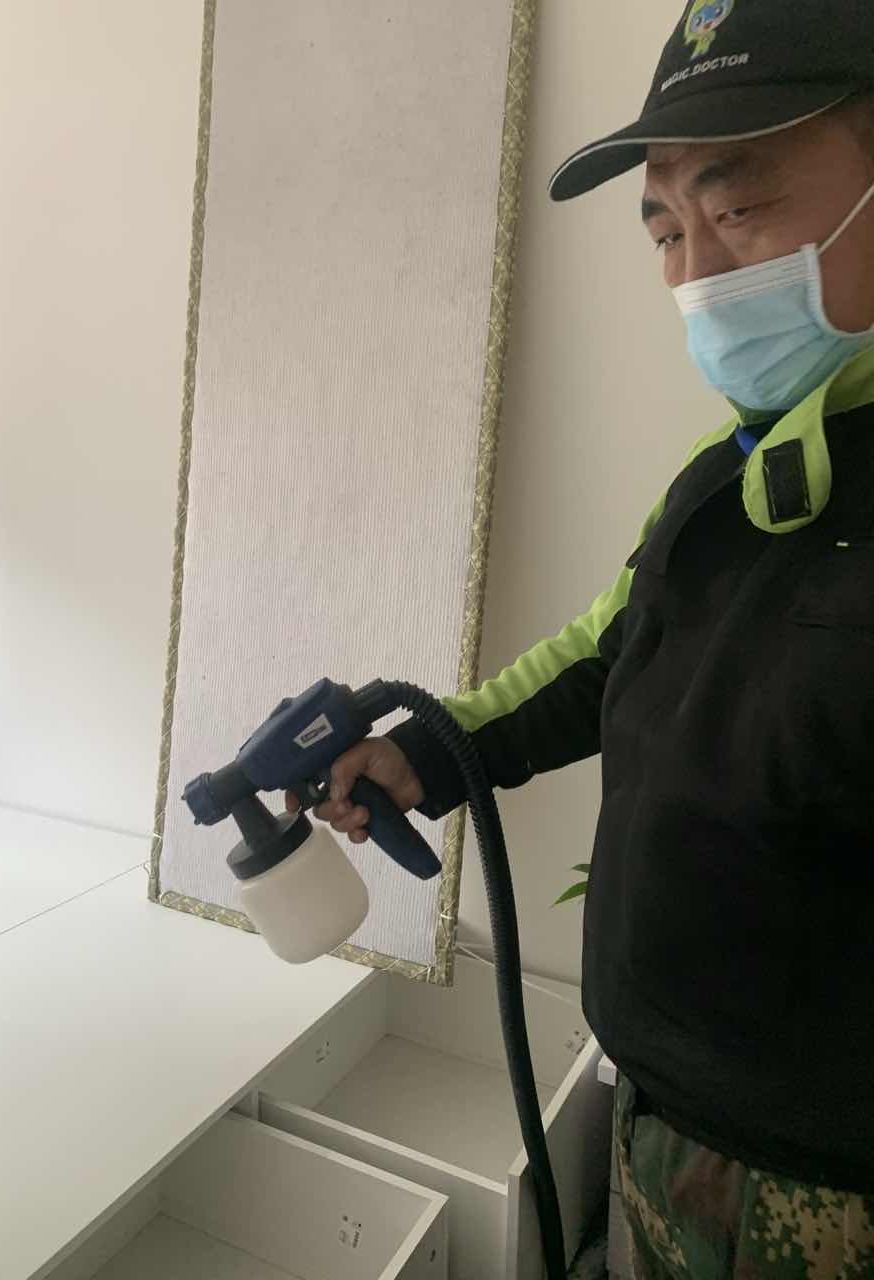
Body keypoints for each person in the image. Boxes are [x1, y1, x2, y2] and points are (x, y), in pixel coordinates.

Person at [289, 3, 874, 1275]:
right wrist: (430, 751)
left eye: (738, 207)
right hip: (657, 1119)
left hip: (827, 1192)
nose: (697, 278)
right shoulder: (733, 477)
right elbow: (603, 650)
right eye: (665, 231)